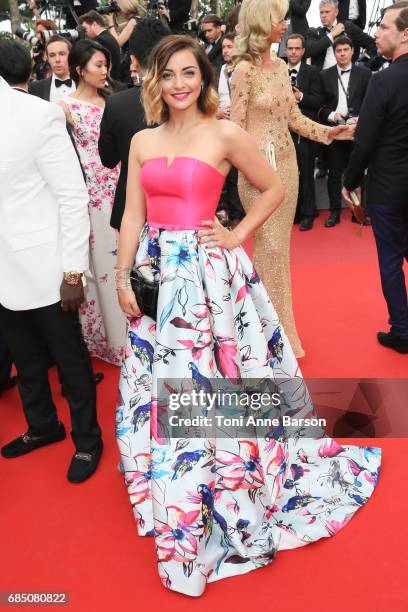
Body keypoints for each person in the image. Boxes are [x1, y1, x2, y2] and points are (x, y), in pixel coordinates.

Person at [113, 33, 380, 598]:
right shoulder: (140, 140)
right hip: (155, 275)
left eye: (190, 73)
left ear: (205, 79)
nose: (180, 84)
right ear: (155, 82)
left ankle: (220, 476)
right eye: (169, 74)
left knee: (213, 379)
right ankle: (176, 477)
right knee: (159, 384)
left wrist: (235, 234)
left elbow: (276, 186)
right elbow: (133, 214)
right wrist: (121, 275)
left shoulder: (225, 133)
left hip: (208, 276)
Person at [0, 40, 102, 483]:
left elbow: (71, 195)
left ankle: (87, 440)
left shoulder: (35, 114)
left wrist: (73, 270)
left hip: (47, 266)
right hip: (4, 269)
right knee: (24, 359)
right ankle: (43, 426)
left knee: (70, 360)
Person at [230, 0, 353, 358]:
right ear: (260, 24)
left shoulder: (282, 67)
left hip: (287, 168)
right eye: (278, 20)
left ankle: (276, 333)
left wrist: (331, 133)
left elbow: (294, 119)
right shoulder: (242, 71)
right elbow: (236, 128)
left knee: (279, 253)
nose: (285, 25)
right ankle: (268, 338)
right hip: (257, 173)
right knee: (268, 250)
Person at [343, 1, 408, 354]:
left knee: (390, 260)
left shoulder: (383, 81)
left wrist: (349, 179)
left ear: (405, 34)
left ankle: (402, 331)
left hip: (387, 187)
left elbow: (364, 139)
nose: (377, 33)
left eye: (384, 26)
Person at [60, 40, 126, 366]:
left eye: (107, 64)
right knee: (102, 266)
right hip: (92, 198)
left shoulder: (114, 101)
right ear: (79, 69)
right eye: (98, 65)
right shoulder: (64, 107)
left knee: (126, 261)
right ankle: (109, 341)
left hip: (123, 190)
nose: (105, 71)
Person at [99, 18, 170, 231]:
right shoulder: (188, 99)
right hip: (180, 210)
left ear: (134, 60)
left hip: (131, 213)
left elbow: (108, 159)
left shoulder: (117, 103)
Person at [319, 36, 371, 228]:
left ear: (352, 51)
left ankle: (358, 212)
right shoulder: (324, 75)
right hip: (335, 130)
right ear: (334, 53)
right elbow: (320, 105)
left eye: (345, 50)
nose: (342, 54)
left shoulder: (365, 74)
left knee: (358, 172)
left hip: (357, 130)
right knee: (334, 173)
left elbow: (369, 102)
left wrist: (360, 118)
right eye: (338, 51)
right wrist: (332, 115)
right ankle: (334, 213)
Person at [286, 33, 322, 231]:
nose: (293, 52)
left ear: (303, 50)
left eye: (297, 48)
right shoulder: (277, 69)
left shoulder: (312, 72)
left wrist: (300, 96)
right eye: (290, 48)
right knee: (287, 175)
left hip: (305, 131)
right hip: (283, 131)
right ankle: (295, 212)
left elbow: (318, 101)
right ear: (285, 50)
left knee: (306, 172)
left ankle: (308, 213)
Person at [305, 0, 376, 72]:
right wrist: (331, 35)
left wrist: (363, 65)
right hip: (321, 79)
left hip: (347, 77)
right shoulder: (313, 31)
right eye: (321, 12)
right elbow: (310, 51)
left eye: (327, 12)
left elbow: (372, 43)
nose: (323, 15)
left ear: (336, 12)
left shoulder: (348, 27)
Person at [29, 36, 76, 102]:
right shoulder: (35, 88)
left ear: (71, 56)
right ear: (47, 59)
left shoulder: (85, 85)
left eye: (62, 54)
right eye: (52, 55)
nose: (57, 60)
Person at [79, 10, 122, 80]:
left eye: (85, 29)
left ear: (94, 25)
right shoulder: (108, 37)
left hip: (108, 84)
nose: (84, 33)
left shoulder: (101, 40)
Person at [201, 13, 224, 79]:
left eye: (209, 31)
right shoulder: (207, 44)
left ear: (219, 28)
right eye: (205, 32)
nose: (206, 35)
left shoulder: (225, 45)